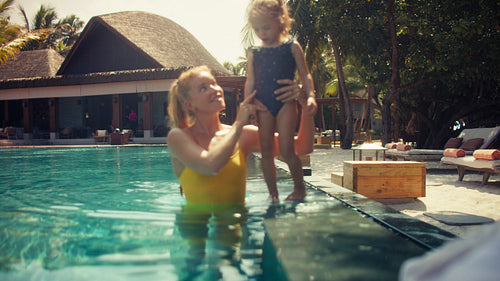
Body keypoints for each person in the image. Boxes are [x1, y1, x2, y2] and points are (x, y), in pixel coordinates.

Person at [166, 65, 315, 205]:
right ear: (189, 105)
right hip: (194, 225)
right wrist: (238, 124)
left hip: (236, 224)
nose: (215, 90)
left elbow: (302, 147)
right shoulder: (178, 137)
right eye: (203, 88)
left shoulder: (245, 135)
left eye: (214, 83)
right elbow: (211, 166)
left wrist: (304, 104)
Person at [244, 0, 317, 201]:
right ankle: (273, 195)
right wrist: (247, 104)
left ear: (281, 20)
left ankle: (300, 189)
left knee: (286, 149)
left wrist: (310, 96)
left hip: (285, 102)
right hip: (263, 104)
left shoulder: (291, 47)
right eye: (257, 28)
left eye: (266, 27)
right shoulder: (253, 52)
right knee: (266, 150)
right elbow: (250, 80)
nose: (261, 32)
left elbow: (305, 75)